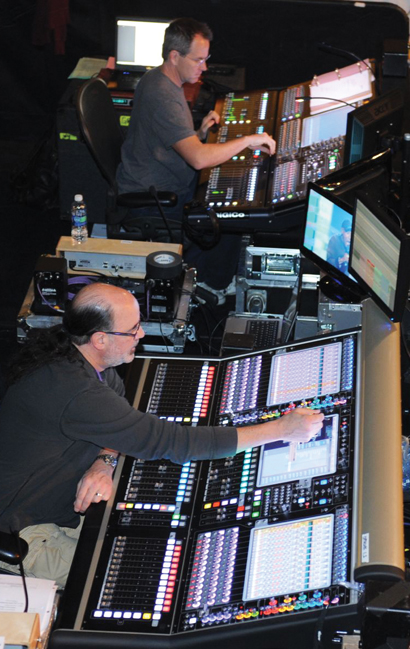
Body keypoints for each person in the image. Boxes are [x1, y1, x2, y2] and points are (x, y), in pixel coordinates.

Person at [0, 283, 323, 587]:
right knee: (136, 575)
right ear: (99, 339)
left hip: (58, 503)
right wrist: (279, 429)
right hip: (23, 530)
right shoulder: (75, 390)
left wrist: (105, 460)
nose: (140, 334)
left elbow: (115, 410)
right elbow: (172, 442)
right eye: (132, 330)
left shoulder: (81, 358)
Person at [116, 17, 276, 296]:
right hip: (155, 198)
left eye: (206, 58)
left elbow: (170, 139)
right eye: (198, 60)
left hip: (160, 177)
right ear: (175, 56)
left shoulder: (159, 78)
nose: (204, 67)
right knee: (228, 214)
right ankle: (208, 284)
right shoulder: (163, 95)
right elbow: (199, 160)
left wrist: (199, 132)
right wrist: (248, 140)